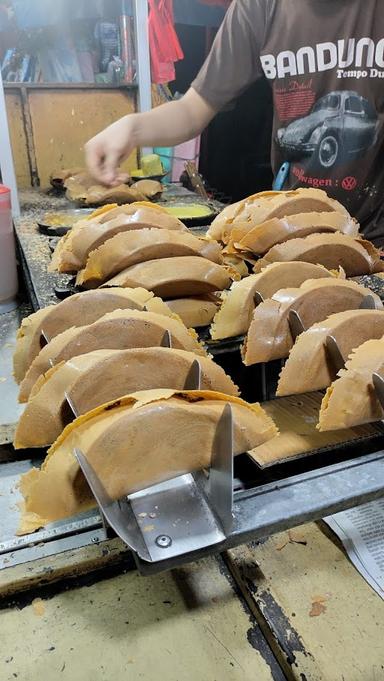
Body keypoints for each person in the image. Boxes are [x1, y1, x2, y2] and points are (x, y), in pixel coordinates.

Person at [85, 0, 384, 245]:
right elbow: (193, 110)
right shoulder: (260, 8)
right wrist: (133, 127)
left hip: (376, 237)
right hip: (293, 234)